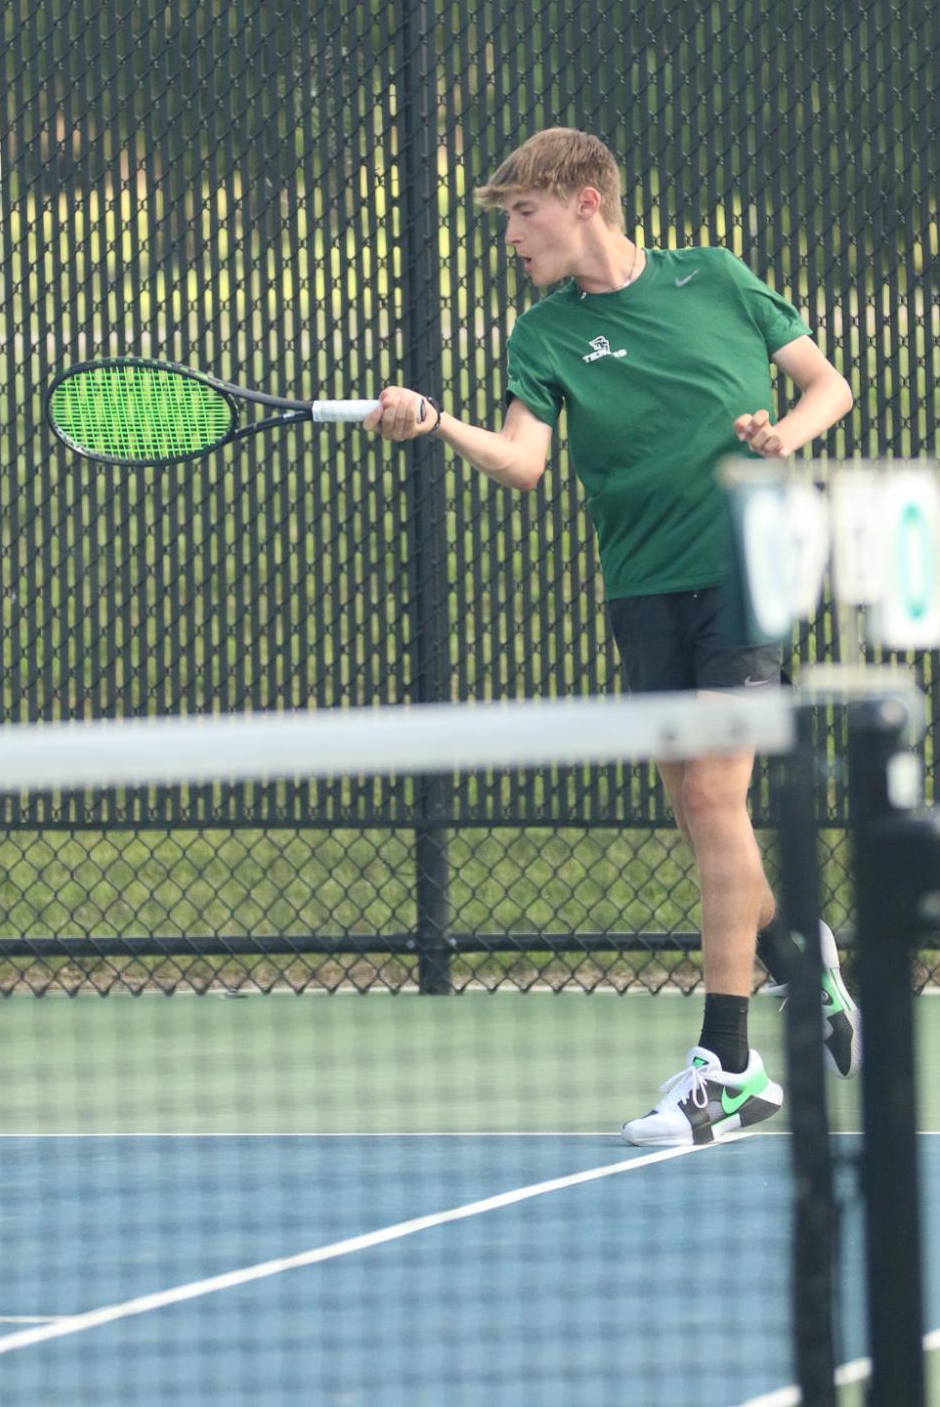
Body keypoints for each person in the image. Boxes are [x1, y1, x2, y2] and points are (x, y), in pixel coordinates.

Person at [364, 127, 858, 1145]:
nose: (509, 234)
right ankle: (794, 951)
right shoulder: (542, 335)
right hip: (640, 585)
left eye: (522, 212)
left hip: (740, 559)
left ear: (585, 200)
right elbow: (520, 463)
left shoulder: (713, 278)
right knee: (696, 806)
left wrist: (782, 437)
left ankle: (725, 1066)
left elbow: (825, 386)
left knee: (715, 794)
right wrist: (436, 423)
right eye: (505, 217)